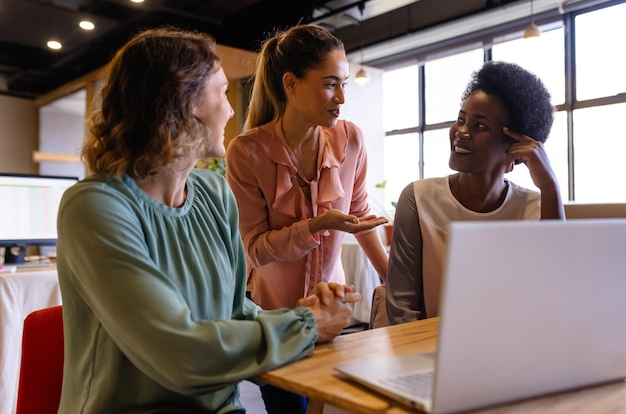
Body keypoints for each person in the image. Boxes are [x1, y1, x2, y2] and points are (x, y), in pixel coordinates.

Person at [55, 26, 361, 414]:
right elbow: (177, 352)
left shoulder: (214, 194)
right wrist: (306, 325)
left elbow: (235, 312)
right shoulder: (95, 208)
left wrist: (309, 316)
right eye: (221, 91)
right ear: (184, 101)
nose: (232, 109)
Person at [224, 24, 389, 413]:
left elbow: (359, 212)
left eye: (344, 83)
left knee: (332, 406)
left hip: (334, 311)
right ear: (291, 83)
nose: (342, 98)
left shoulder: (351, 139)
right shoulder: (246, 152)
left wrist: (389, 275)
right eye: (331, 84)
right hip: (276, 319)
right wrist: (317, 226)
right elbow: (254, 250)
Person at [385, 60, 565, 325]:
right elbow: (401, 309)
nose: (461, 132)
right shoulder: (418, 198)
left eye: (479, 126)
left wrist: (551, 187)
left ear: (514, 145)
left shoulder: (537, 208)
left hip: (514, 351)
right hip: (430, 354)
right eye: (461, 120)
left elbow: (553, 294)